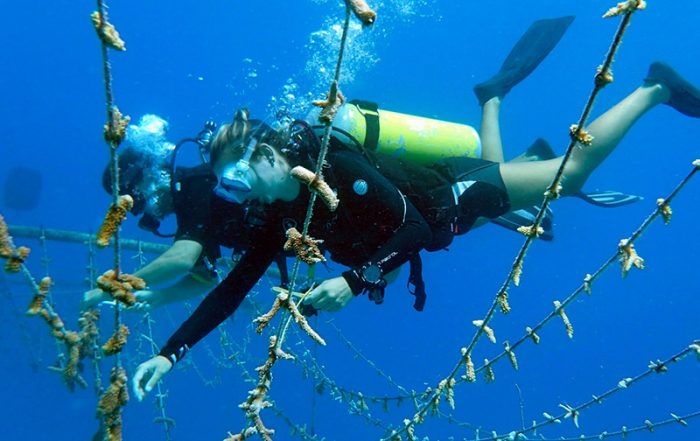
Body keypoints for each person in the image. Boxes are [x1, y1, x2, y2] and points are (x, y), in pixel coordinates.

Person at [131, 16, 700, 400]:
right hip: (449, 215)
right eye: (226, 183)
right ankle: (493, 99)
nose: (237, 189)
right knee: (497, 194)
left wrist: (355, 281)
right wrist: (170, 353)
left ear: (265, 152)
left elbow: (415, 226)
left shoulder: (333, 163)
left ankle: (654, 88)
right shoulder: (276, 218)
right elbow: (231, 291)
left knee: (567, 175)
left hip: (449, 195)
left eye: (238, 173)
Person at [82, 115, 289, 311]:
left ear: (149, 178)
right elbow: (204, 278)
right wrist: (160, 297)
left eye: (138, 203)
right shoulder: (188, 209)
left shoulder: (195, 185)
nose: (146, 212)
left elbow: (182, 258)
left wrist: (112, 288)